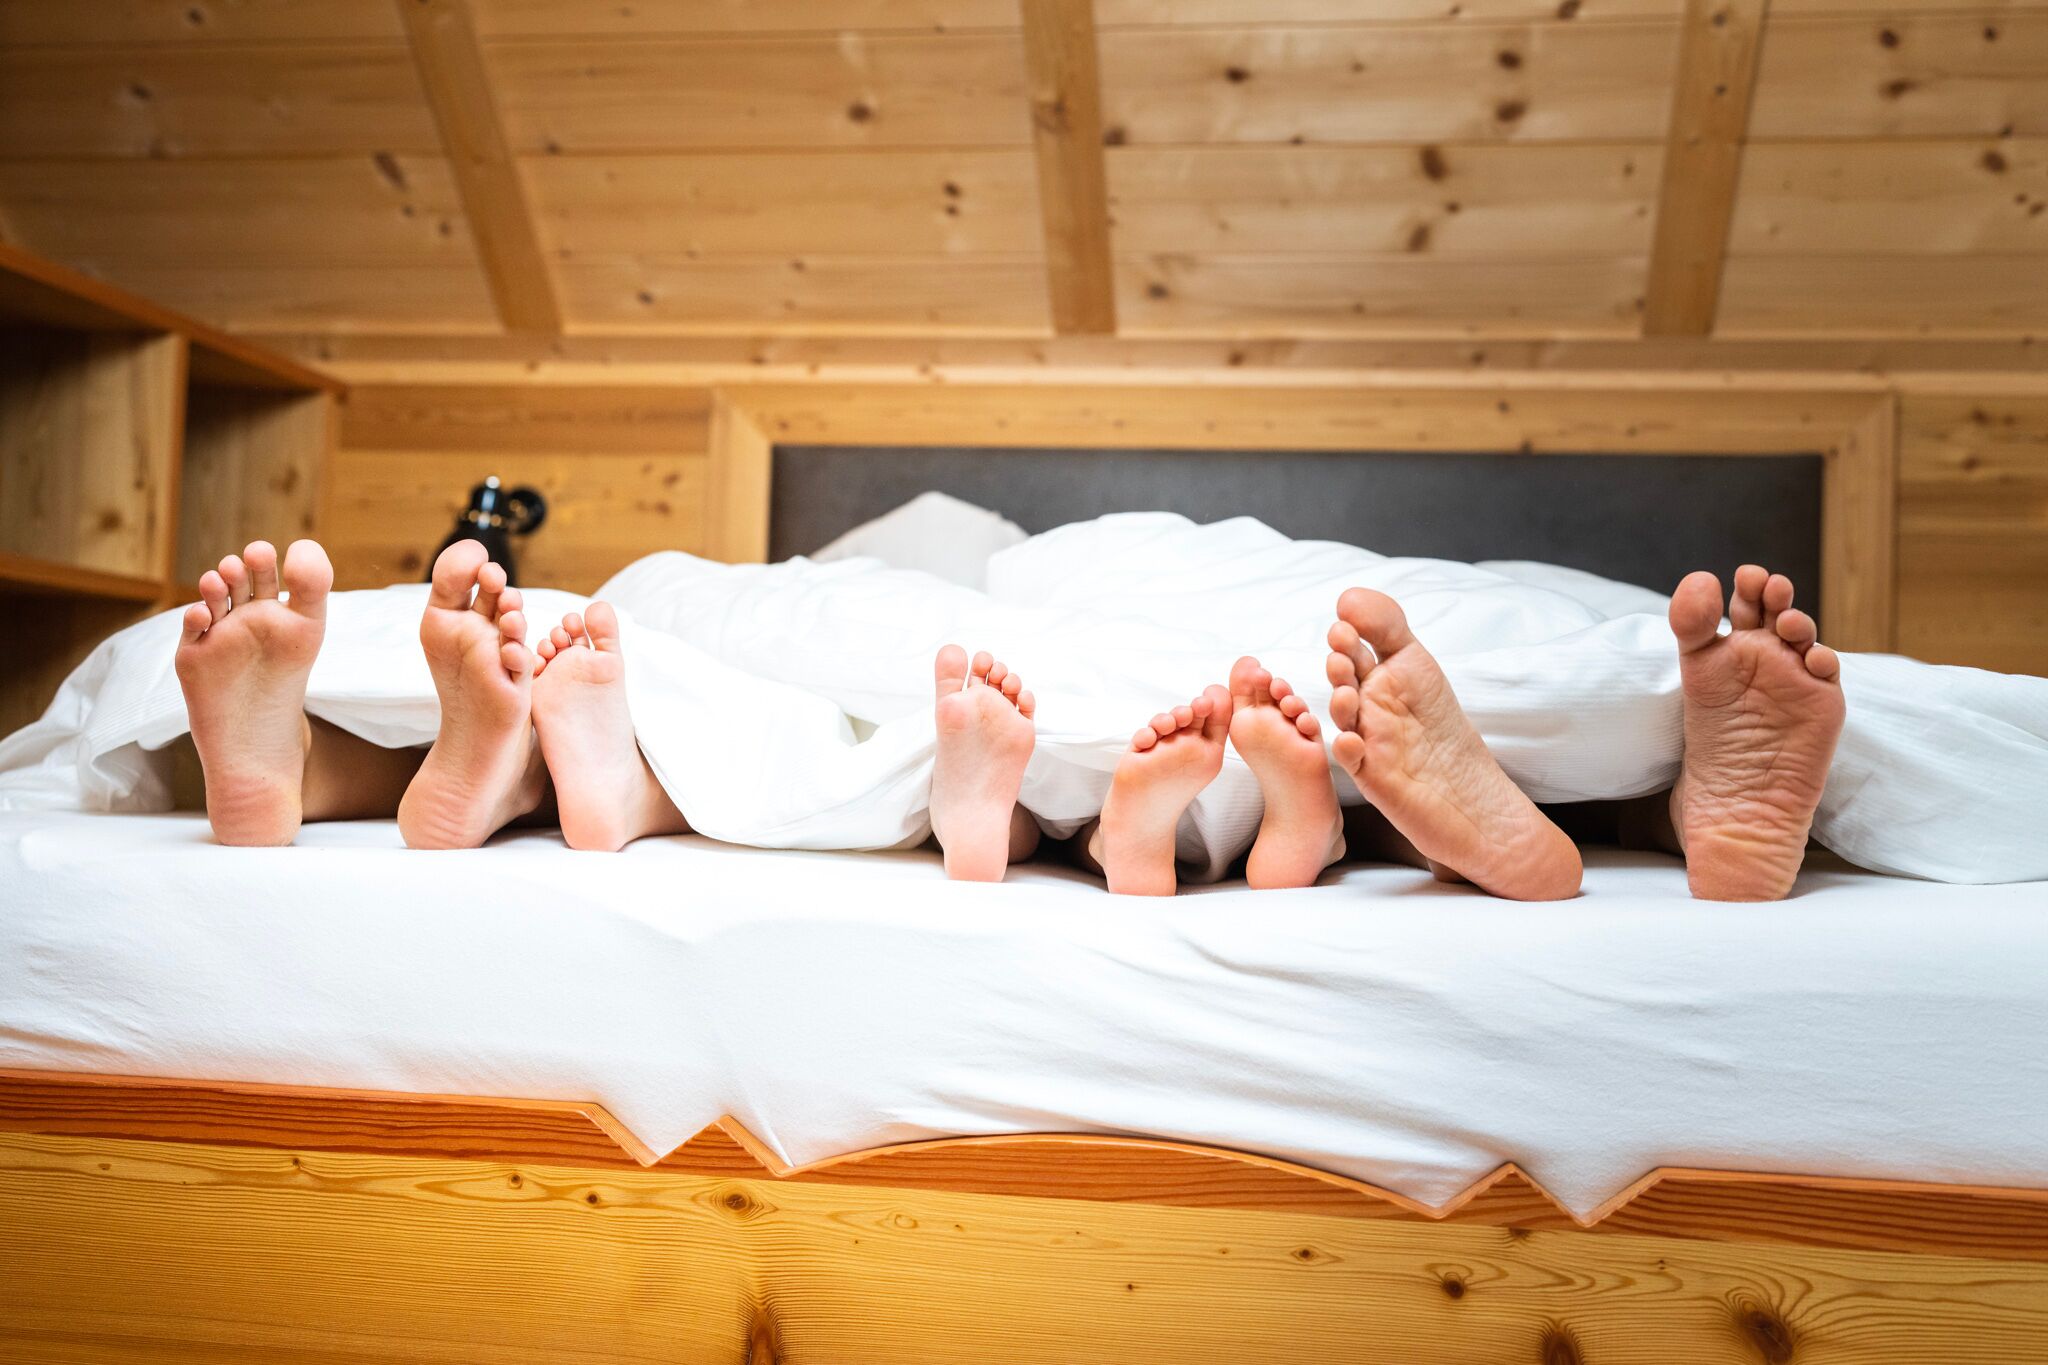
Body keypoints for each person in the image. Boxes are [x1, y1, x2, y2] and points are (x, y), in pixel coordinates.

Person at [172, 533, 1845, 905]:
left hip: (892, 668)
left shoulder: (988, 575)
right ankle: (1647, 804)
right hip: (1161, 693)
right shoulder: (1097, 581)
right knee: (682, 633)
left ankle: (441, 765)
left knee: (678, 621)